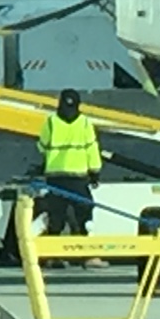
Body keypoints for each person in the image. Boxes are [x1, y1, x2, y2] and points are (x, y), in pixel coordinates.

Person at [38, 88, 104, 237]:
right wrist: (95, 172)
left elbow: (42, 146)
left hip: (55, 176)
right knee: (85, 208)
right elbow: (92, 149)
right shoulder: (85, 123)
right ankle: (85, 235)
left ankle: (53, 241)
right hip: (78, 177)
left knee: (56, 212)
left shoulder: (51, 122)